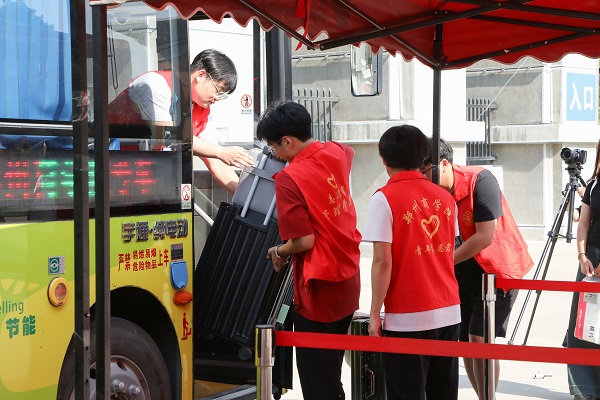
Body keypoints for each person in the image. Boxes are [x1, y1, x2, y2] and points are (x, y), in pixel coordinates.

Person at [257, 101, 361, 400]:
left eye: (274, 146)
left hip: (319, 290)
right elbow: (347, 152)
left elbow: (303, 241)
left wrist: (278, 251)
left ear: (288, 140)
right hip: (348, 279)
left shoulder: (290, 178)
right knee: (331, 373)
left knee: (318, 383)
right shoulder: (337, 151)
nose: (274, 153)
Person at [422, 138, 534, 400]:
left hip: (495, 270)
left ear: (443, 164)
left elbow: (485, 236)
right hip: (462, 271)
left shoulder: (480, 180)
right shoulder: (432, 194)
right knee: (465, 342)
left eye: (423, 171)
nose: (421, 178)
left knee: (479, 339)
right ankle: (484, 396)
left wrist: (442, 262)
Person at [363, 125, 461, 400]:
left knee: (406, 393)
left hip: (408, 316)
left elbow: (382, 262)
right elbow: (447, 249)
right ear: (422, 157)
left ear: (384, 159)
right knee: (444, 393)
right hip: (449, 310)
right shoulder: (445, 197)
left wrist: (374, 313)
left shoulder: (383, 199)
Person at [109, 49, 253, 194]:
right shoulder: (155, 84)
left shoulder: (202, 110)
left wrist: (247, 196)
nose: (217, 98)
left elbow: (216, 162)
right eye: (218, 90)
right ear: (201, 75)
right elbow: (168, 136)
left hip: (147, 177)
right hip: (114, 167)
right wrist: (220, 151)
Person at [566, 140, 600, 400]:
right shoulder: (594, 184)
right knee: (583, 328)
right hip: (590, 261)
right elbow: (583, 223)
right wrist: (581, 256)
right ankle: (585, 390)